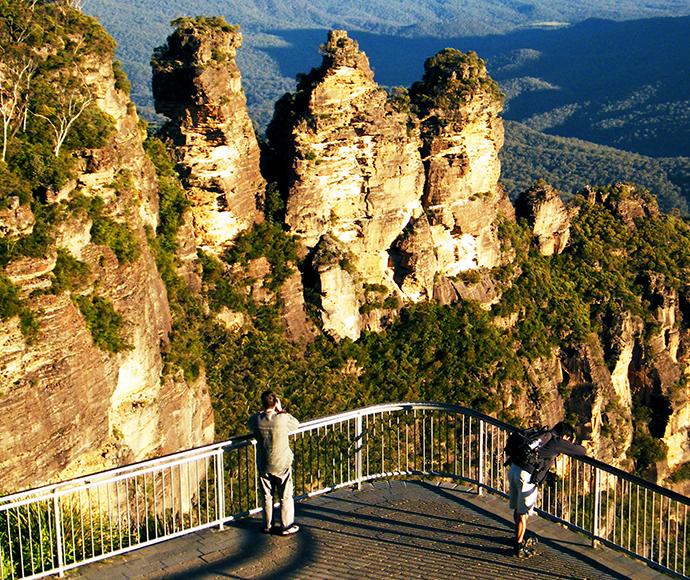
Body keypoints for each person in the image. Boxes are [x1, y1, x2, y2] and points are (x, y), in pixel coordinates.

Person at [507, 421, 587, 559]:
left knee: (517, 509)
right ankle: (518, 547)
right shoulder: (557, 441)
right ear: (565, 437)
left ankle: (521, 536)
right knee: (523, 512)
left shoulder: (542, 435)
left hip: (514, 468)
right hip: (526, 476)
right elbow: (581, 451)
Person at [247, 390, 300, 535]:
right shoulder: (282, 418)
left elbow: (249, 424)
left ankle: (267, 525)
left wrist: (261, 413)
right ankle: (286, 526)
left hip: (264, 463)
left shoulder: (256, 419)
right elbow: (295, 424)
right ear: (276, 402)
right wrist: (282, 410)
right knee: (285, 495)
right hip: (282, 463)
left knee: (266, 495)